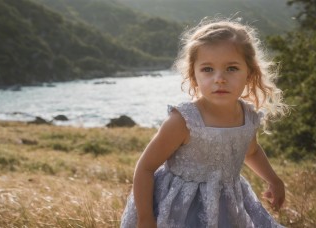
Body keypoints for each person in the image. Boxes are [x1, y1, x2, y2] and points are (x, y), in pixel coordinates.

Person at [120, 18, 288, 228]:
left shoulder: (248, 116)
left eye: (232, 68)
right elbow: (145, 167)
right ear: (194, 75)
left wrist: (273, 179)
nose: (219, 78)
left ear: (250, 73)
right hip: (179, 209)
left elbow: (251, 152)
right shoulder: (184, 120)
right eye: (208, 69)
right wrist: (145, 218)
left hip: (226, 205)